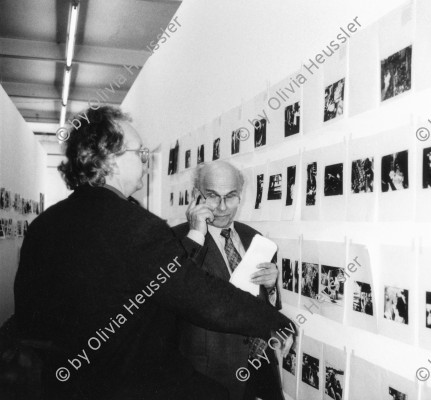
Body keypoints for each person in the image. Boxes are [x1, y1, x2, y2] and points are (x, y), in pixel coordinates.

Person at [13, 106, 294, 400]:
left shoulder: (44, 225)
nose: (146, 164)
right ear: (110, 159)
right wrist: (272, 322)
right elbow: (199, 295)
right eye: (140, 153)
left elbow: (29, 318)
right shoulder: (135, 226)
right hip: (128, 384)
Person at [172, 160, 285, 400]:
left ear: (240, 197)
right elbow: (176, 294)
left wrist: (270, 287)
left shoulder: (253, 237)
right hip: (210, 375)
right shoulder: (177, 239)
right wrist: (196, 234)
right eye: (213, 196)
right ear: (196, 196)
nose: (222, 207)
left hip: (260, 368)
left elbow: (265, 307)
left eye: (231, 196)